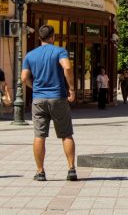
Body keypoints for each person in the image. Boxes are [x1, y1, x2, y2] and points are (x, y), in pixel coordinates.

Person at [21, 25, 78, 182]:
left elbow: (24, 78)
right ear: (53, 37)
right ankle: (71, 169)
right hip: (58, 98)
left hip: (38, 99)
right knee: (66, 134)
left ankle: (40, 172)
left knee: (39, 135)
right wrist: (71, 88)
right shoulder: (60, 51)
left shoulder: (30, 55)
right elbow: (67, 67)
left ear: (40, 38)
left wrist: (35, 88)